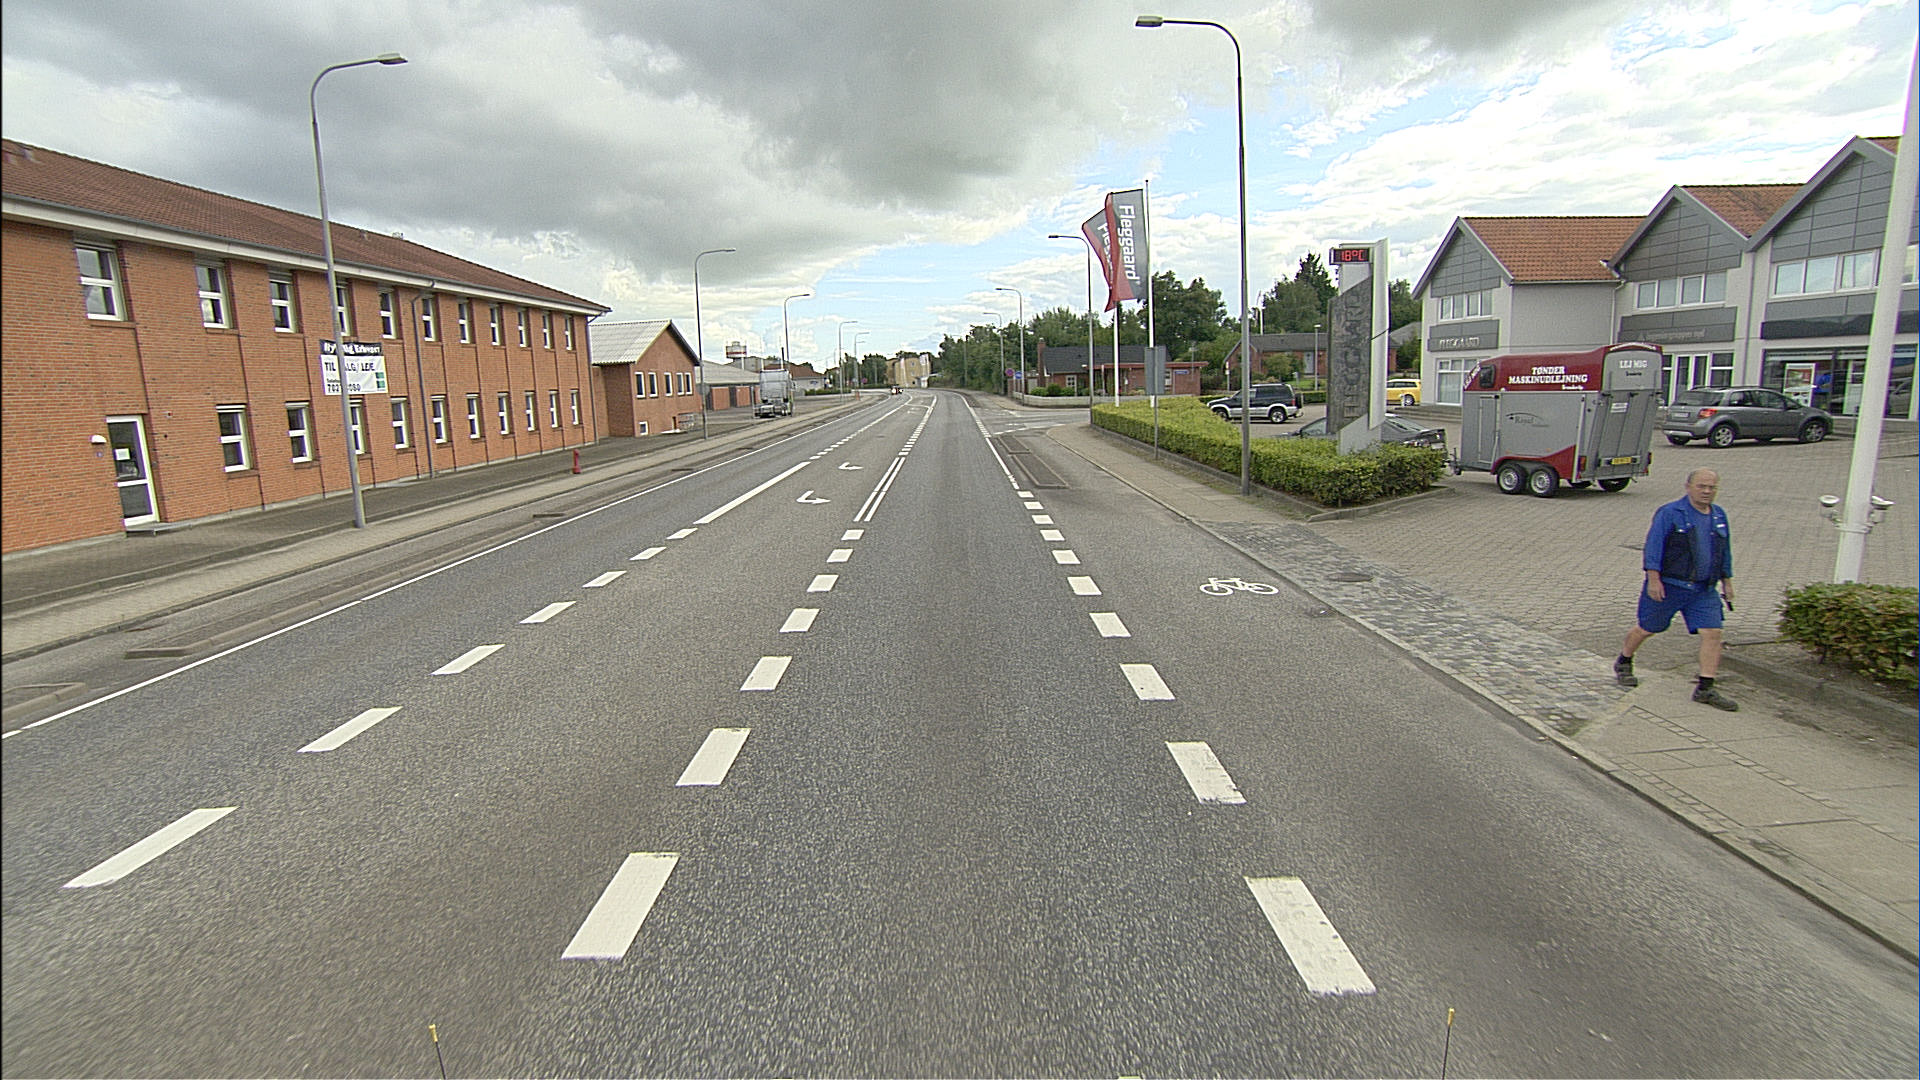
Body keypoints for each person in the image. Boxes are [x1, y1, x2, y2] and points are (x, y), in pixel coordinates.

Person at [1614, 468, 1738, 710]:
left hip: (1703, 590)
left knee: (1713, 632)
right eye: (1701, 486)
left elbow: (1724, 551)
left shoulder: (1719, 515)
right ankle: (1624, 660)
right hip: (1670, 586)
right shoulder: (1670, 513)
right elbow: (1654, 547)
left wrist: (1727, 581)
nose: (1706, 491)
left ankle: (1705, 688)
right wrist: (1653, 579)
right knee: (1647, 628)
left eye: (1711, 487)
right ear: (1688, 487)